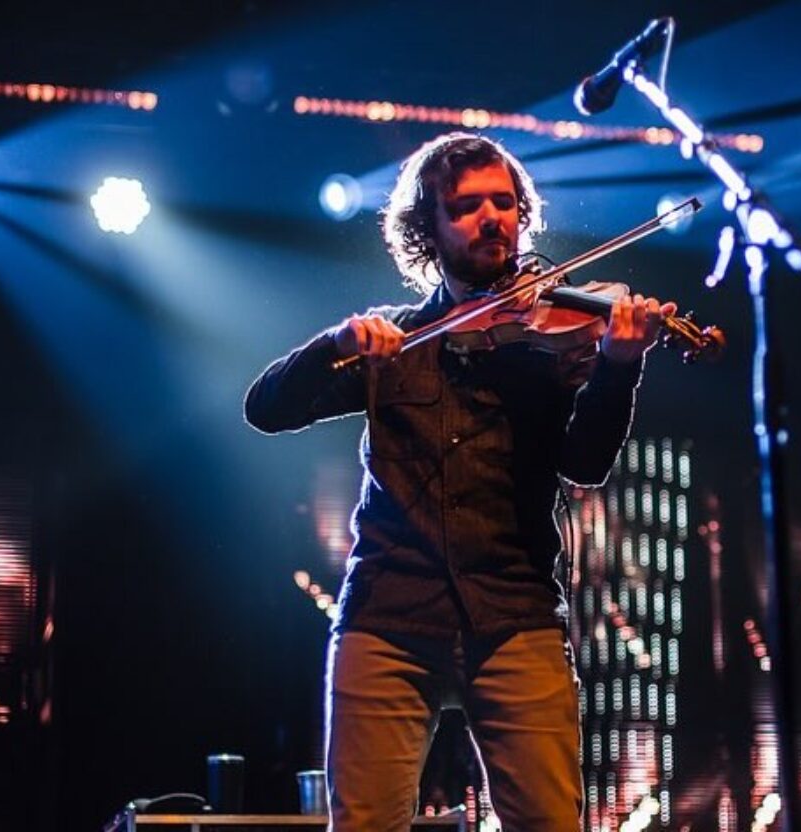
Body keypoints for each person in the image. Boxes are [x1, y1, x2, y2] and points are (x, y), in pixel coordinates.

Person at [244, 132, 673, 831]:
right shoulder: (392, 341)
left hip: (515, 613)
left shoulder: (549, 335)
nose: (491, 218)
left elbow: (585, 463)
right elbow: (266, 409)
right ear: (429, 229)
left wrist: (620, 368)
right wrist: (336, 346)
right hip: (388, 614)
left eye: (504, 203)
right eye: (467, 207)